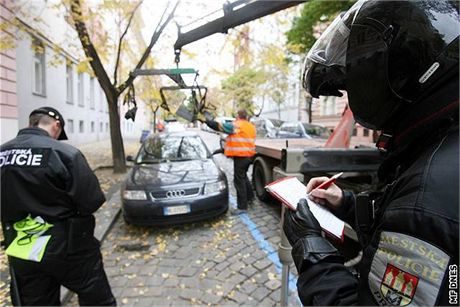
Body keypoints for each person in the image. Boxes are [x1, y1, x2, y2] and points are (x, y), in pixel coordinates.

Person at [283, 0, 459, 305]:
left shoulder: (424, 202)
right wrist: (347, 204)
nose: (350, 97)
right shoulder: (443, 142)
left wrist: (309, 244)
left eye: (353, 85)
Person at [0, 107, 116, 306]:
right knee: (97, 300)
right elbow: (91, 200)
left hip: (22, 247)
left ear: (31, 122)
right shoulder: (65, 153)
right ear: (56, 126)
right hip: (69, 246)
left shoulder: (2, 153)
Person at [202, 109, 256, 213]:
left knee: (239, 181)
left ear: (238, 116)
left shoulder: (237, 125)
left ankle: (242, 207)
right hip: (249, 156)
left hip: (241, 157)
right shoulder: (251, 126)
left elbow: (219, 126)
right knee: (243, 177)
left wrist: (208, 121)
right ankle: (250, 197)